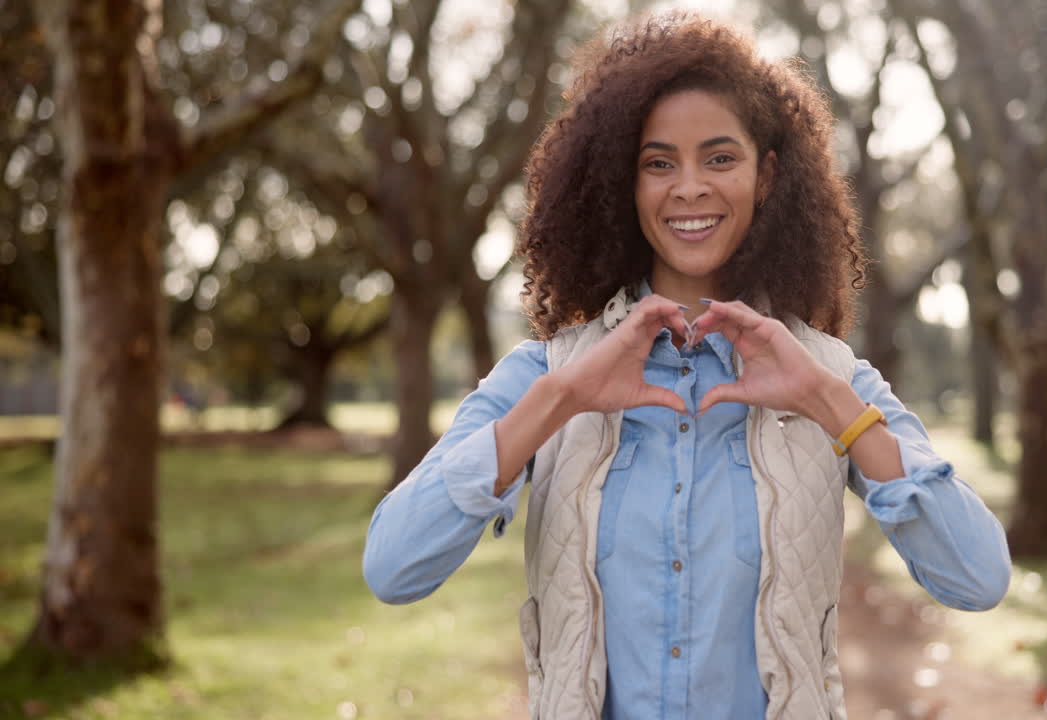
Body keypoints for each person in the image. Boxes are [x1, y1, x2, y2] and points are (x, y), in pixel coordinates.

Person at [363, 12, 1011, 720]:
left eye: (720, 157)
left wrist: (833, 407)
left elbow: (978, 578)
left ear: (766, 176)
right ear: (624, 183)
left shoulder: (832, 378)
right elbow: (393, 568)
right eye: (659, 162)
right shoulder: (546, 377)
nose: (690, 187)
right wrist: (562, 398)